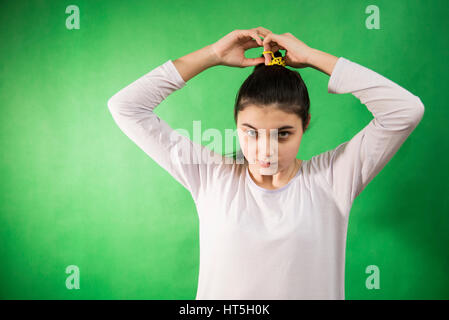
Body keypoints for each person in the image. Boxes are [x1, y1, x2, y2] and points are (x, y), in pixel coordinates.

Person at [107, 27, 425, 299]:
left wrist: (313, 57)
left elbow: (405, 110)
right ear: (236, 125)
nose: (265, 151)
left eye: (283, 134)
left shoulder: (332, 179)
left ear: (305, 125)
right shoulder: (213, 177)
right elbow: (126, 107)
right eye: (251, 133)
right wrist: (213, 54)